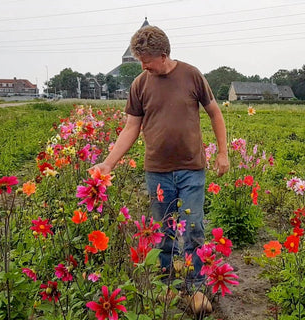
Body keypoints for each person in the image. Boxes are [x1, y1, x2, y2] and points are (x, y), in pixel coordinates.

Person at [94, 25, 229, 314]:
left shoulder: (192, 75)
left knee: (193, 229)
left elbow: (215, 113)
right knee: (163, 231)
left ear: (163, 54)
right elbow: (131, 127)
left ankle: (195, 288)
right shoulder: (140, 85)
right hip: (157, 171)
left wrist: (223, 152)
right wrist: (108, 162)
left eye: (146, 61)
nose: (142, 66)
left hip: (192, 168)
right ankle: (167, 285)